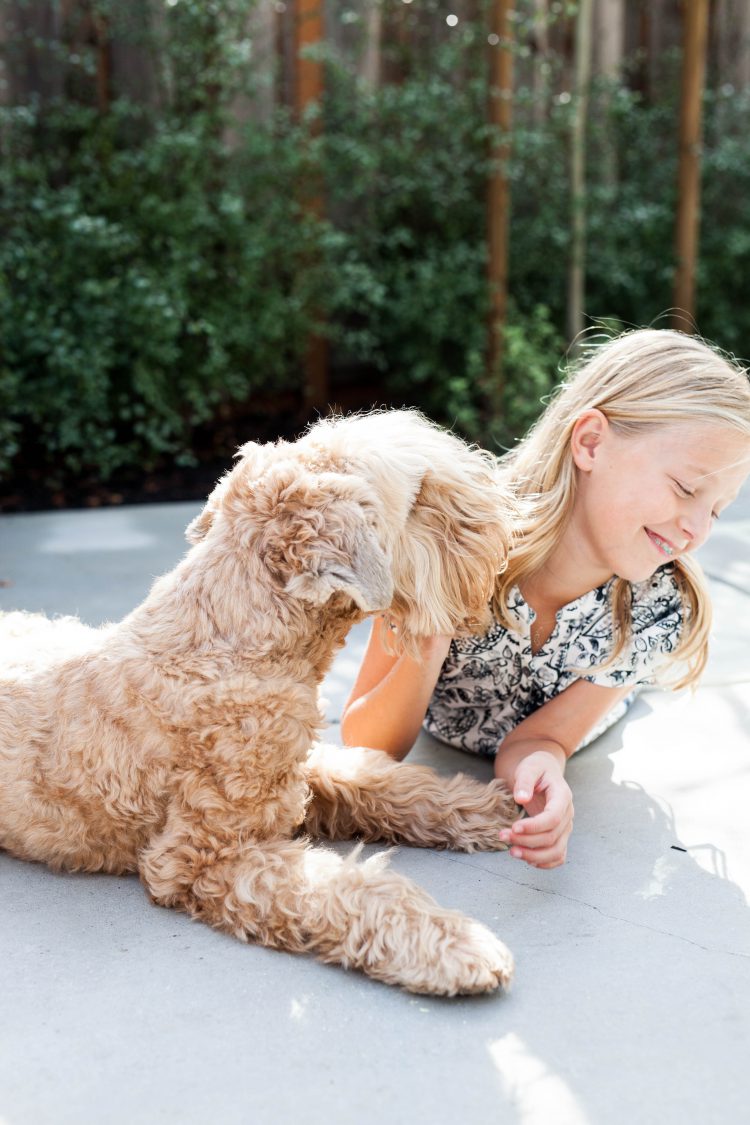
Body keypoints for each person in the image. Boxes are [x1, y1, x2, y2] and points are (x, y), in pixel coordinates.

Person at [341, 328, 750, 869]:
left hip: (590, 689)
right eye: (684, 489)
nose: (697, 528)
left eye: (718, 509)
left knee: (621, 688)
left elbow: (541, 740)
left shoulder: (655, 607)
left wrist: (541, 778)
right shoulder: (450, 543)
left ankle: (632, 686)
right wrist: (432, 625)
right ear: (590, 443)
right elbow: (368, 748)